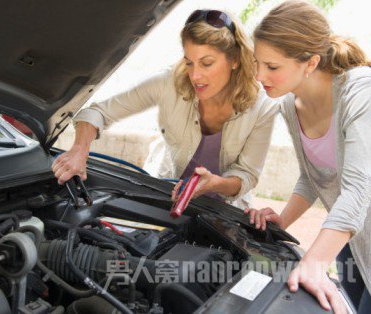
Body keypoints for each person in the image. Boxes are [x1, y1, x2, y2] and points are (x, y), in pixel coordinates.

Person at [52, 9, 278, 208]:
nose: (195, 75)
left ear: (235, 60)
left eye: (207, 63)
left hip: (224, 208)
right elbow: (98, 111)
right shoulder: (170, 81)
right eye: (190, 62)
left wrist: (214, 184)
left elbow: (247, 175)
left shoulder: (263, 107)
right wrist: (79, 150)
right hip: (165, 192)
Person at [246, 1, 371, 313]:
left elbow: (358, 188)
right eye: (257, 63)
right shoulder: (290, 105)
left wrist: (314, 263)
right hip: (351, 242)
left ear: (311, 62)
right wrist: (281, 223)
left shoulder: (360, 94)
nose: (260, 75)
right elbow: (312, 177)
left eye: (272, 67)